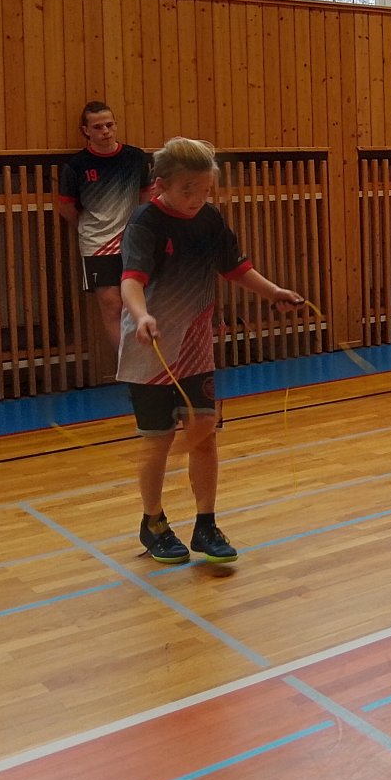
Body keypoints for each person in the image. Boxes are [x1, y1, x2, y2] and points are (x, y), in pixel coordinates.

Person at [120, 138, 304, 564]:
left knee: (204, 434)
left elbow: (235, 267)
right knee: (159, 440)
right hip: (151, 346)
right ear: (162, 184)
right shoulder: (145, 223)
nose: (198, 199)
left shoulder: (209, 219)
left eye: (205, 190)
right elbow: (131, 280)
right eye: (189, 190)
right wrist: (142, 316)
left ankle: (206, 524)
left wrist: (273, 291)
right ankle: (153, 522)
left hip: (196, 344)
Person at [58, 102, 152, 353]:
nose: (106, 131)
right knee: (112, 305)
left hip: (133, 239)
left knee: (141, 301)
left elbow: (147, 194)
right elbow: (66, 207)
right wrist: (88, 229)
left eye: (109, 125)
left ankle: (148, 363)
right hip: (97, 244)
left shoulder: (136, 158)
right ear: (86, 131)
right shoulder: (76, 166)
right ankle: (127, 364)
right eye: (98, 127)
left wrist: (139, 227)